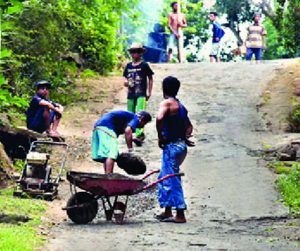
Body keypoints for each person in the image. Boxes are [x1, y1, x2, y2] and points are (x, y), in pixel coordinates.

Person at [155, 76, 194, 223]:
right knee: (164, 176)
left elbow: (159, 118)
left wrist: (160, 137)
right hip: (181, 146)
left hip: (171, 146)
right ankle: (167, 210)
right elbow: (189, 126)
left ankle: (180, 213)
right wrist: (184, 136)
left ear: (164, 88)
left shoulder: (167, 103)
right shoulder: (181, 106)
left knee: (172, 178)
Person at [123, 42, 154, 146]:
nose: (134, 54)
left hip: (141, 93)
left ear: (141, 53)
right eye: (132, 52)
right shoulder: (128, 66)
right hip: (131, 94)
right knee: (130, 113)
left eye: (137, 52)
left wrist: (149, 91)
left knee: (140, 113)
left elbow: (150, 78)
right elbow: (125, 77)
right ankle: (131, 132)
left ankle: (140, 134)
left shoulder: (144, 65)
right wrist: (126, 82)